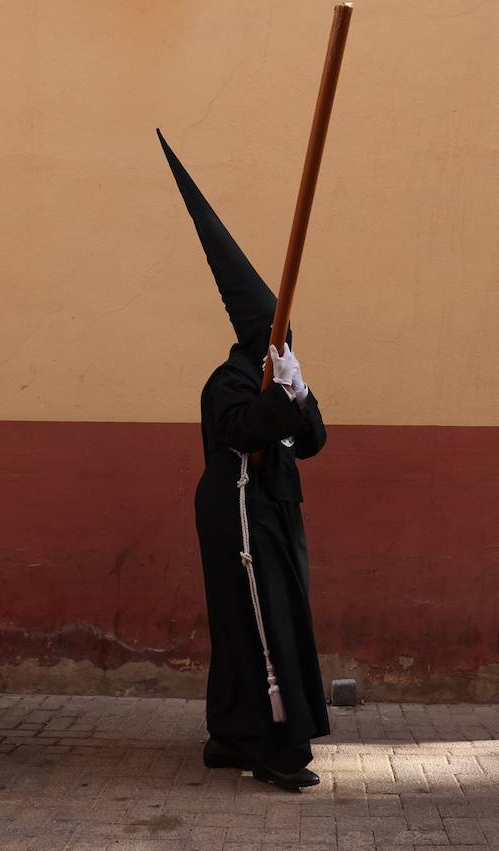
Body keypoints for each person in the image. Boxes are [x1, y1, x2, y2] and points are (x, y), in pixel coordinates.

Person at [158, 130, 330, 790]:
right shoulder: (228, 381)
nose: (285, 345)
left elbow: (311, 440)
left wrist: (300, 390)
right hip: (237, 512)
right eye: (277, 339)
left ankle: (230, 730)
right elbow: (241, 432)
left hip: (276, 515)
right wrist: (276, 396)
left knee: (260, 618)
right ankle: (276, 745)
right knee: (261, 624)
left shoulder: (280, 380)